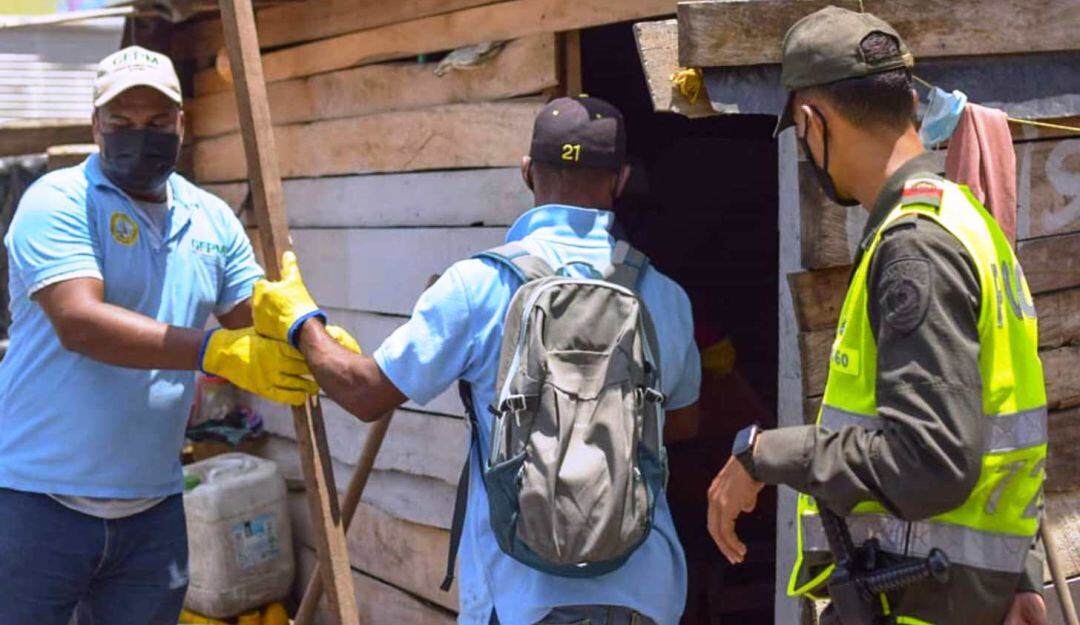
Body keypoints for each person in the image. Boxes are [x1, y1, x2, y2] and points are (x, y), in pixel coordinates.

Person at [252, 96, 703, 625]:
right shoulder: (665, 296)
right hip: (643, 593)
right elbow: (683, 423)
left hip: (524, 596)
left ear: (527, 173)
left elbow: (364, 392)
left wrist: (302, 322)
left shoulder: (477, 285)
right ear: (621, 179)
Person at [706, 8, 1047, 625]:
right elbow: (993, 417)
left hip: (922, 600)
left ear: (812, 122)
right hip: (968, 595)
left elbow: (932, 462)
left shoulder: (913, 246)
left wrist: (768, 453)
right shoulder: (967, 219)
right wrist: (1018, 570)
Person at [0, 46, 321, 625]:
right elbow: (80, 322)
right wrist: (211, 350)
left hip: (153, 507)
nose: (138, 136)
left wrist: (301, 325)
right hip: (35, 500)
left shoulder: (210, 217)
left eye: (156, 122)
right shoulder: (57, 200)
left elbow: (250, 312)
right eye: (121, 122)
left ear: (182, 124)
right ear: (96, 124)